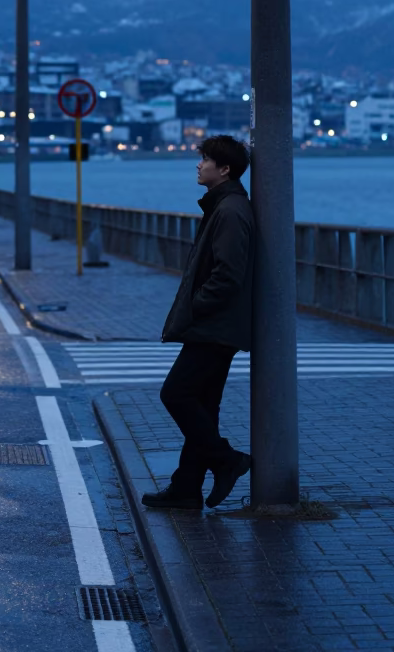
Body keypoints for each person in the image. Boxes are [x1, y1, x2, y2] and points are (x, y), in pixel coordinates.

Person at [143, 135, 255, 512]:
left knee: (176, 394)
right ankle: (186, 488)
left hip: (215, 326)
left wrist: (195, 308)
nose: (198, 164)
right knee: (204, 406)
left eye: (205, 159)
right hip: (216, 325)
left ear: (224, 169)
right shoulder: (224, 206)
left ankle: (227, 460)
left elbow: (228, 275)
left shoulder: (231, 211)